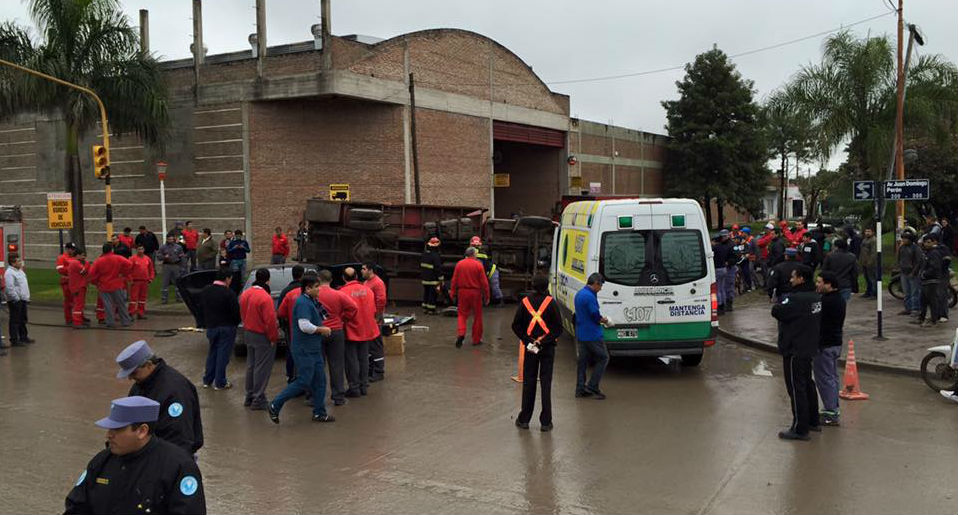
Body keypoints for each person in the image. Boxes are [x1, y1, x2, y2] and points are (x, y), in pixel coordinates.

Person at [64, 396, 206, 514]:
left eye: (117, 429)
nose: (108, 435)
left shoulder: (178, 467)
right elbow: (76, 506)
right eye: (109, 429)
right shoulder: (102, 462)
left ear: (142, 431)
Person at [116, 340, 204, 456]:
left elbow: (180, 437)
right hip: (148, 453)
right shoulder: (140, 385)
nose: (130, 378)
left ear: (148, 365)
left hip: (168, 457)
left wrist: (172, 467)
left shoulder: (175, 389)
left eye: (134, 373)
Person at [268, 274, 335, 424]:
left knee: (320, 381)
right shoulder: (303, 303)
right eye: (316, 287)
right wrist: (321, 329)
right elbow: (304, 326)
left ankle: (319, 413)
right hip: (304, 349)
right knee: (304, 381)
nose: (319, 289)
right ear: (308, 288)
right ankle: (275, 404)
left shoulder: (312, 301)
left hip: (313, 348)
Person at [771, 265, 821, 441]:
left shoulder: (796, 299)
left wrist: (779, 304)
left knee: (796, 388)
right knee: (807, 384)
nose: (790, 280)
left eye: (793, 277)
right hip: (808, 346)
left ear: (801, 279)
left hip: (795, 348)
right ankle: (813, 420)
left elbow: (777, 311)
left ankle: (800, 428)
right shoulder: (815, 297)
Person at [512, 274, 563, 431]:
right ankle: (546, 422)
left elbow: (516, 325)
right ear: (547, 286)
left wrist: (528, 341)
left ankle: (524, 419)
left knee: (529, 382)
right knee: (546, 384)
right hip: (547, 348)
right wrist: (544, 341)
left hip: (530, 348)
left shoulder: (525, 303)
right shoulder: (552, 303)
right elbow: (557, 329)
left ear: (533, 286)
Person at [314, 269, 358, 406]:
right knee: (336, 365)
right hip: (336, 331)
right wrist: (342, 318)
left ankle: (316, 397)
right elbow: (353, 307)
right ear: (331, 280)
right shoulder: (338, 294)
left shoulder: (313, 295)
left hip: (318, 331)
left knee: (318, 365)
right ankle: (338, 396)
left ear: (318, 280)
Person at [239, 268, 280, 410]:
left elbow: (242, 314)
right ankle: (259, 398)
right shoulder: (265, 297)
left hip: (248, 332)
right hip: (262, 335)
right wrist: (273, 337)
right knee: (262, 367)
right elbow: (270, 321)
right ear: (268, 280)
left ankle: (249, 395)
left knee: (251, 365)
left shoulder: (245, 294)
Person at [340, 267, 379, 398]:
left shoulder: (342, 292)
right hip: (366, 329)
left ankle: (354, 387)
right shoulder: (367, 290)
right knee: (364, 358)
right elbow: (373, 309)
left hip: (351, 329)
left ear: (343, 278)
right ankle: (363, 386)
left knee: (351, 360)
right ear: (356, 276)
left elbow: (342, 313)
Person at [813, 271, 846, 427]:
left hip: (824, 344)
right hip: (835, 343)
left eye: (820, 282)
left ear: (829, 285)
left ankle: (830, 413)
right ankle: (833, 408)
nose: (817, 285)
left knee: (825, 378)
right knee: (832, 377)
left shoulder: (826, 302)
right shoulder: (839, 299)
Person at [199, 269, 241, 389]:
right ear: (227, 279)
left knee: (212, 353)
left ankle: (207, 380)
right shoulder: (229, 293)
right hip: (226, 327)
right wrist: (236, 323)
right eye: (230, 279)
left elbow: (201, 308)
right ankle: (220, 382)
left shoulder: (206, 291)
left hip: (211, 327)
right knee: (223, 355)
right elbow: (235, 312)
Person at [574, 273, 609, 399]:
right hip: (592, 334)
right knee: (603, 358)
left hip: (581, 333)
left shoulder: (579, 294)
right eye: (600, 286)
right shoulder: (589, 297)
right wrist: (604, 320)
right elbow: (595, 315)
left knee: (582, 362)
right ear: (595, 284)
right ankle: (593, 386)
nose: (601, 289)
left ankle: (580, 388)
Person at [450, 247, 490, 347]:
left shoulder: (459, 264)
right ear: (473, 254)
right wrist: (487, 296)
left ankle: (461, 333)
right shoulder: (478, 265)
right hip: (476, 293)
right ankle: (476, 340)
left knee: (462, 315)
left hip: (462, 292)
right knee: (477, 316)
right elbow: (484, 283)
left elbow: (454, 280)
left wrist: (452, 293)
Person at [88, 243, 134, 329]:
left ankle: (110, 322)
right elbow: (129, 265)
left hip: (104, 285)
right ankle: (125, 321)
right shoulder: (118, 258)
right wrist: (123, 273)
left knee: (107, 305)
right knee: (121, 304)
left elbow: (91, 273)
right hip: (117, 284)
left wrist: (95, 282)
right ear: (112, 250)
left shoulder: (98, 261)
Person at [278, 265, 306, 383]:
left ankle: (291, 376)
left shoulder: (286, 291)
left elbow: (280, 312)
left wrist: (283, 326)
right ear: (303, 275)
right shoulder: (307, 289)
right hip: (307, 328)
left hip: (290, 327)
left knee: (291, 351)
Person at [361, 263, 388, 381]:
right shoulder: (367, 282)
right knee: (369, 346)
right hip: (368, 320)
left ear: (370, 270)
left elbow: (381, 300)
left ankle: (378, 371)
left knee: (376, 345)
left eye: (363, 269)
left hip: (374, 320)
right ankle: (370, 370)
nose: (361, 271)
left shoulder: (377, 283)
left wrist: (378, 316)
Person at [916, 234, 947, 327]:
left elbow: (935, 267)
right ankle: (922, 318)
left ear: (934, 242)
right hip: (925, 281)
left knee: (932, 301)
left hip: (932, 281)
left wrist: (925, 274)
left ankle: (933, 320)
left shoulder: (934, 253)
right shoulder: (927, 253)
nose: (926, 244)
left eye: (929, 242)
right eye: (925, 242)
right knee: (923, 301)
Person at [4, 254, 32, 346]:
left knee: (22, 319)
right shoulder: (9, 273)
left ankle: (23, 337)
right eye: (18, 261)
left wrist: (26, 297)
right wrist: (16, 298)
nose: (20, 263)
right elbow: (9, 288)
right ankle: (14, 340)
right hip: (15, 300)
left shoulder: (20, 271)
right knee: (15, 320)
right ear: (13, 263)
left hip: (22, 299)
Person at [821, 237, 858, 303]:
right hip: (846, 284)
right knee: (843, 305)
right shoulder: (852, 257)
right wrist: (854, 286)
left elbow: (824, 271)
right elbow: (854, 273)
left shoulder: (830, 256)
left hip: (831, 284)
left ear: (836, 246)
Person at [897, 230, 923, 316]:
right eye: (903, 238)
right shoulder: (902, 248)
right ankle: (908, 308)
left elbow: (919, 261)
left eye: (906, 239)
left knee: (914, 292)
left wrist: (914, 272)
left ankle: (915, 309)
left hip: (913, 273)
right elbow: (899, 258)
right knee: (906, 292)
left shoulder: (916, 248)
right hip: (904, 272)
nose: (904, 240)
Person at [472, 236, 503, 306]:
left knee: (494, 286)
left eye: (476, 245)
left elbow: (480, 266)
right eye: (474, 245)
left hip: (492, 271)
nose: (475, 247)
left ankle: (500, 300)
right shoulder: (480, 253)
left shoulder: (478, 254)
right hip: (488, 270)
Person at [157, 233, 186, 304]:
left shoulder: (178, 247)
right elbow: (158, 256)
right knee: (165, 283)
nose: (170, 240)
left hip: (176, 265)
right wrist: (164, 257)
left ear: (174, 239)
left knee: (178, 282)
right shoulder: (163, 247)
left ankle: (179, 298)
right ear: (167, 239)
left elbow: (182, 257)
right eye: (169, 239)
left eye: (172, 239)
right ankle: (164, 299)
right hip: (167, 266)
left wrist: (182, 267)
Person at [711, 230, 734, 313]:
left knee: (719, 288)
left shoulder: (715, 248)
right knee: (723, 288)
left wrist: (730, 262)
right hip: (724, 268)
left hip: (721, 269)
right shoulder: (723, 246)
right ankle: (724, 304)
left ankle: (721, 305)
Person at [68, 248, 92, 329]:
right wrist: (88, 264)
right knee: (78, 304)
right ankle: (77, 322)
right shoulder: (75, 263)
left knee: (80, 304)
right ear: (77, 255)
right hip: (78, 286)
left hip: (78, 286)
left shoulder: (75, 262)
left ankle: (80, 319)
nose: (83, 257)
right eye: (82, 255)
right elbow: (83, 271)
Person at [56, 242, 78, 325]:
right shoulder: (62, 258)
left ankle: (77, 317)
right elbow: (60, 269)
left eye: (73, 249)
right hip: (66, 281)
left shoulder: (74, 257)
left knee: (76, 300)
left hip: (74, 281)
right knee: (68, 301)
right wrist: (72, 269)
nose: (72, 251)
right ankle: (68, 318)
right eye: (71, 249)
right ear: (67, 249)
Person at [420, 237, 444, 314]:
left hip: (425, 279)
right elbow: (438, 268)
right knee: (432, 295)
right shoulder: (436, 256)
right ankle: (431, 310)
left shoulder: (424, 254)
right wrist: (441, 279)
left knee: (426, 293)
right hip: (433, 279)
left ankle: (425, 308)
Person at [859, 227, 877, 298]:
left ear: (873, 232)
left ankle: (874, 293)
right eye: (866, 231)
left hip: (871, 263)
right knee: (867, 278)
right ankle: (868, 292)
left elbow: (874, 253)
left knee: (872, 278)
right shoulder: (864, 240)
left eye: (869, 231)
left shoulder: (874, 240)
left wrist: (870, 262)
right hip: (864, 262)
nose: (867, 233)